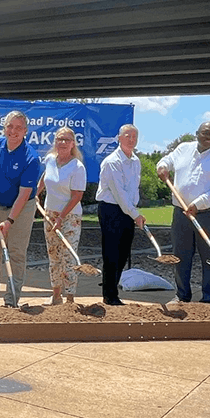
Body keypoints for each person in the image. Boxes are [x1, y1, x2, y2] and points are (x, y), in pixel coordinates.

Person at [156, 122, 210, 303]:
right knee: (180, 255)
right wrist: (162, 166)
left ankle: (209, 299)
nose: (209, 137)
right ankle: (182, 295)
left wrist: (198, 204)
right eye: (205, 133)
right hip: (181, 213)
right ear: (197, 134)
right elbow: (167, 160)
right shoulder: (183, 149)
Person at [0, 110, 41, 308]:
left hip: (22, 208)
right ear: (4, 128)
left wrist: (9, 221)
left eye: (19, 128)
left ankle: (11, 300)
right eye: (10, 126)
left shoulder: (31, 158)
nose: (13, 131)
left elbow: (24, 195)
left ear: (25, 131)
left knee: (16, 253)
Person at [36, 127, 86, 305]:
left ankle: (70, 298)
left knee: (68, 257)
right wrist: (36, 194)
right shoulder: (50, 159)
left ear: (73, 144)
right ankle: (56, 296)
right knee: (54, 255)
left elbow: (77, 196)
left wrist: (61, 217)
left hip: (70, 217)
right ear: (55, 142)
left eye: (66, 140)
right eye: (59, 139)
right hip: (49, 214)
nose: (62, 143)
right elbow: (45, 178)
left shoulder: (77, 167)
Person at [96, 124, 145, 306]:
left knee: (123, 252)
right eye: (127, 136)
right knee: (111, 253)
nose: (131, 139)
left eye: (134, 136)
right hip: (111, 209)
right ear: (119, 138)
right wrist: (135, 214)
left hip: (127, 210)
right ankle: (109, 295)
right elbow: (119, 192)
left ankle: (113, 290)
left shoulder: (136, 161)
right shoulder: (112, 162)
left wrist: (133, 211)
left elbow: (133, 190)